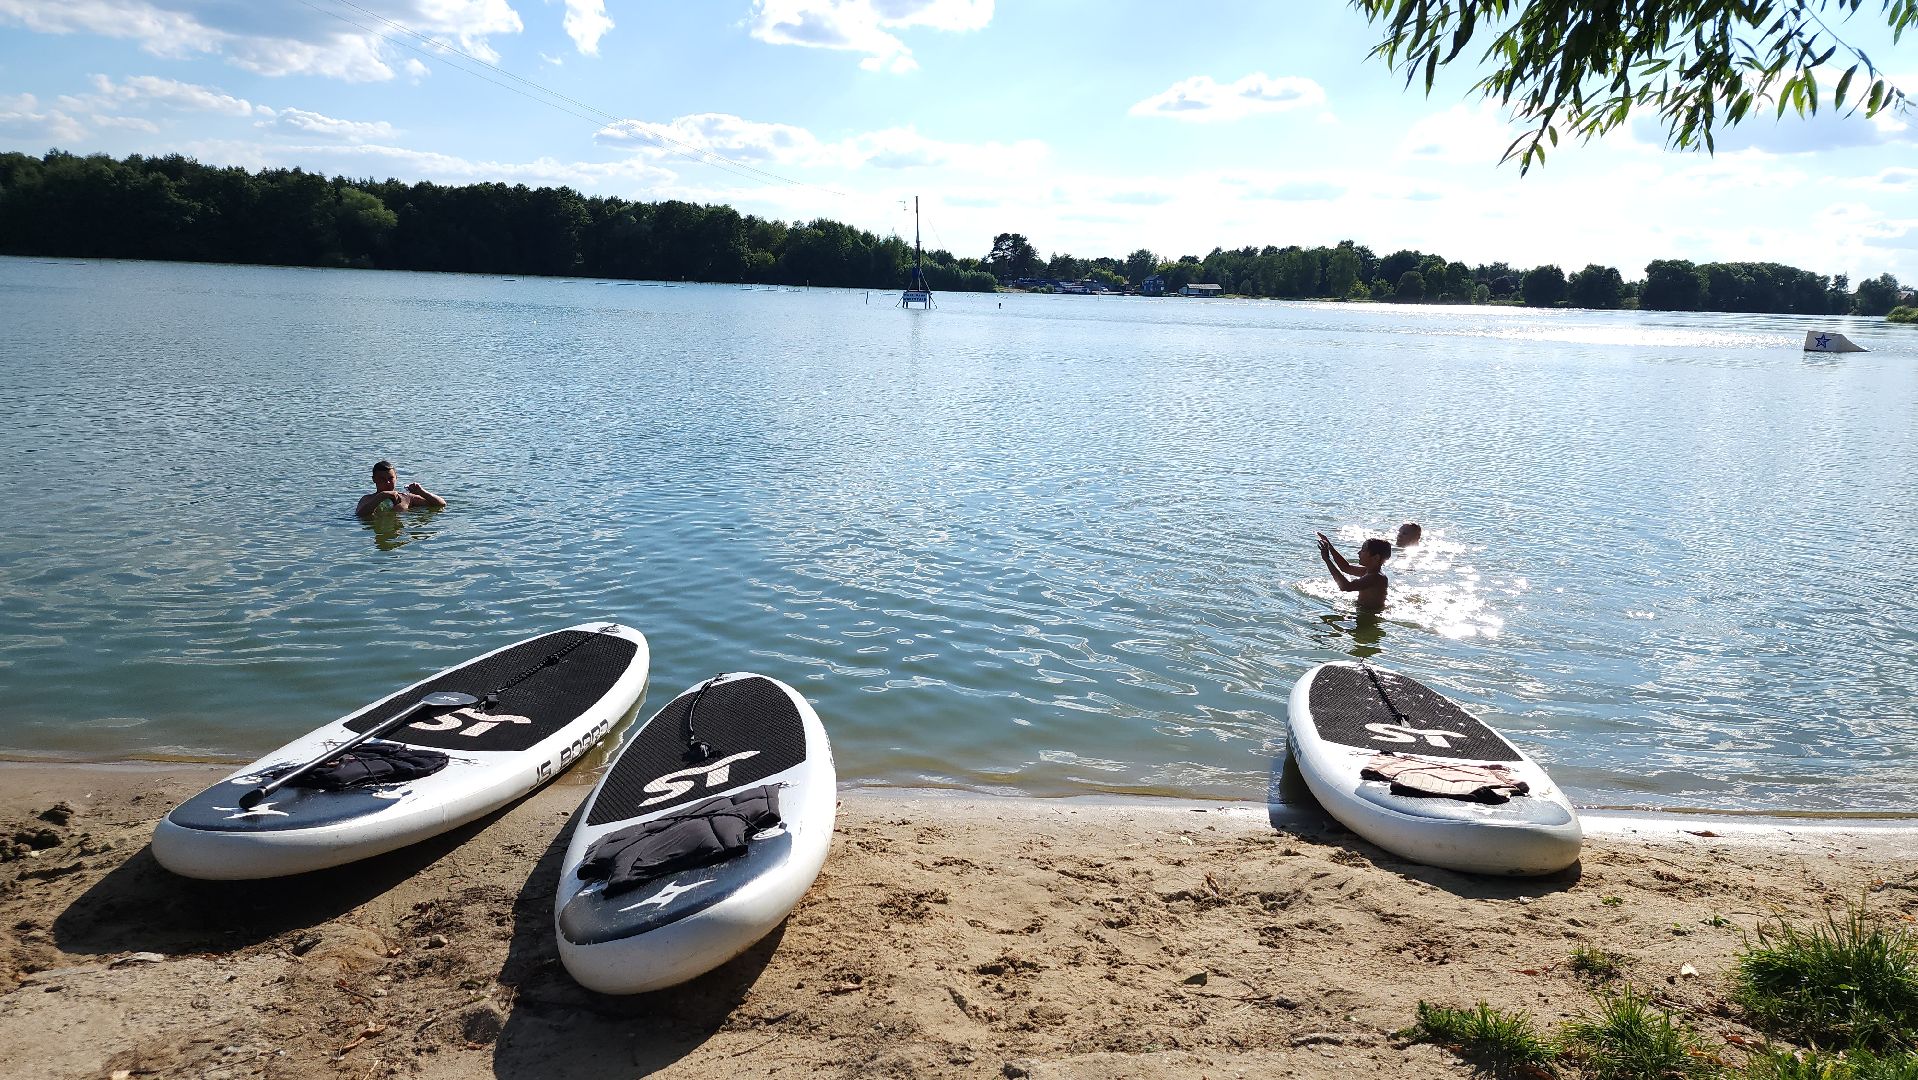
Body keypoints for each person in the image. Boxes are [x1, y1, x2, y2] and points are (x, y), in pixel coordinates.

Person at [1317, 533, 1391, 612]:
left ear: (1376, 557)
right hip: (1363, 610)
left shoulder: (1376, 577)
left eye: (1363, 550)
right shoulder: (1368, 571)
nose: (1358, 553)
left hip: (1369, 615)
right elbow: (1345, 567)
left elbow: (1345, 586)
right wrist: (1329, 546)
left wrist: (1327, 559)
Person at [355, 460, 446, 517]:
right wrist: (381, 496)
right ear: (374, 480)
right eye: (382, 479)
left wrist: (422, 492)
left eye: (390, 478)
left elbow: (441, 504)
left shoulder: (406, 498)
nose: (387, 482)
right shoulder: (367, 499)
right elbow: (360, 516)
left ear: (396, 478)